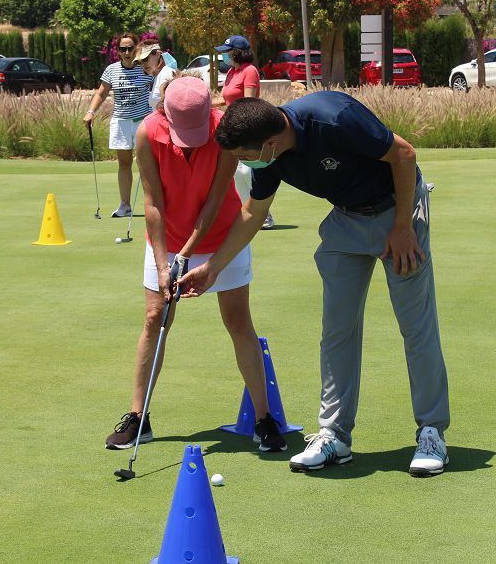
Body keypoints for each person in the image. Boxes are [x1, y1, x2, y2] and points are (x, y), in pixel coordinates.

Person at [180, 90, 451, 477]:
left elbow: (404, 154)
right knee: (336, 330)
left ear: (270, 143)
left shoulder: (333, 117)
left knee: (415, 326)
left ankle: (431, 432)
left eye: (244, 156)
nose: (242, 164)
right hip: (346, 220)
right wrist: (213, 269)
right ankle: (334, 435)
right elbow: (254, 213)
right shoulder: (269, 158)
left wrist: (404, 226)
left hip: (398, 209)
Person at [104, 76, 287, 454]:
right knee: (155, 317)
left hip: (221, 237)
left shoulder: (224, 131)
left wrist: (187, 253)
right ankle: (139, 417)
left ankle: (264, 419)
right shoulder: (147, 133)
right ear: (165, 114)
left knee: (238, 320)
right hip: (165, 241)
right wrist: (162, 264)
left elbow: (216, 200)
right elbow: (152, 203)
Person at [84, 32, 153, 219]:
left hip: (143, 121)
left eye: (131, 48)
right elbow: (101, 93)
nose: (127, 52)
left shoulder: (145, 68)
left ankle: (152, 203)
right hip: (121, 121)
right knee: (124, 163)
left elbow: (160, 88)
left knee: (146, 164)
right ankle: (125, 205)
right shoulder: (112, 70)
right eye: (123, 49)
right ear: (118, 51)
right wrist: (91, 112)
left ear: (136, 48)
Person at [215, 34, 276, 231]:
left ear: (236, 52)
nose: (223, 56)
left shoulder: (249, 71)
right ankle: (248, 213)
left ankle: (263, 215)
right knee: (237, 173)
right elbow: (227, 100)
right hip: (232, 127)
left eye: (226, 52)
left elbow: (248, 103)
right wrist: (206, 104)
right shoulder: (232, 72)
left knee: (248, 172)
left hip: (246, 128)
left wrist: (239, 125)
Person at [135, 41, 176, 110]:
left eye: (145, 59)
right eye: (139, 62)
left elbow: (171, 107)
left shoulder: (166, 73)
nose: (143, 64)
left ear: (157, 54)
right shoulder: (160, 75)